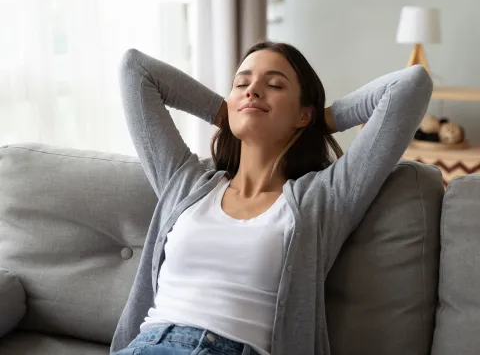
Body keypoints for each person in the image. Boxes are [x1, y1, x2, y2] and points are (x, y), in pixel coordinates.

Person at [110, 40, 433, 355]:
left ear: (303, 115)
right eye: (242, 82)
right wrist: (228, 112)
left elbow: (411, 85)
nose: (252, 90)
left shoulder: (323, 198)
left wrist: (321, 121)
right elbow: (135, 70)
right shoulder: (185, 183)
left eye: (275, 85)